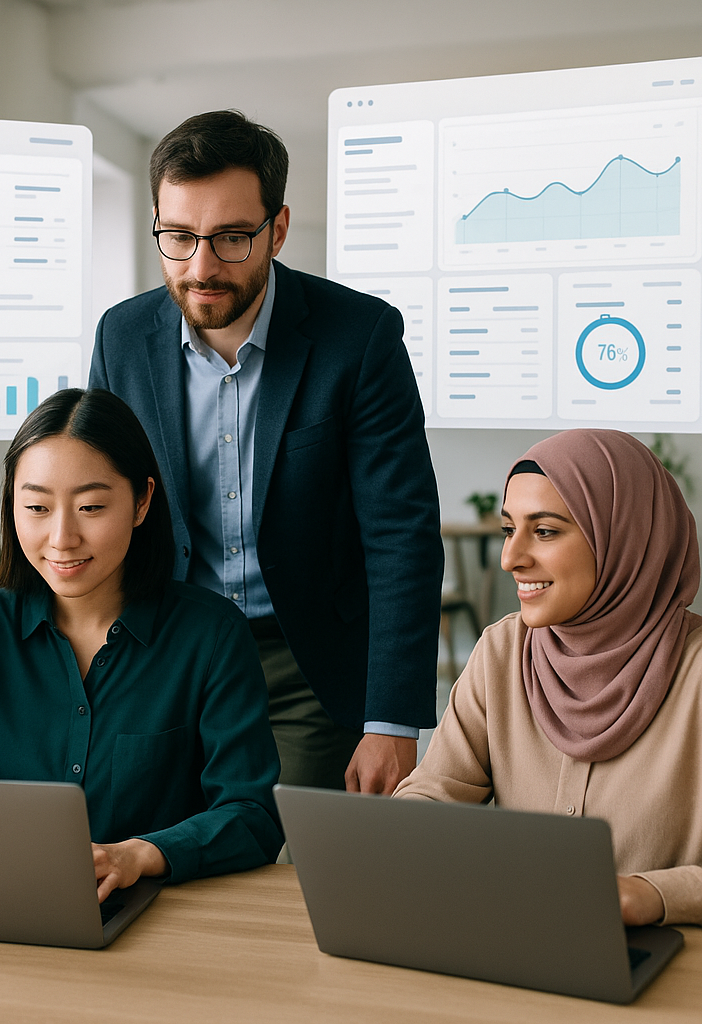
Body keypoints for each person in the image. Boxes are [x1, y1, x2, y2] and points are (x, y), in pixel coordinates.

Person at [90, 109, 443, 793]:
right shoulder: (121, 337)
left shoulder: (358, 337)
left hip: (306, 661)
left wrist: (391, 722)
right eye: (178, 237)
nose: (201, 268)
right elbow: (102, 502)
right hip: (170, 652)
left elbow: (400, 532)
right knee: (157, 841)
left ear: (277, 230)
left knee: (287, 850)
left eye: (231, 238)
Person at [0, 388, 283, 900]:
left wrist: (140, 855)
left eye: (90, 506)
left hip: (167, 908)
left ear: (142, 501)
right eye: (37, 507)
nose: (62, 537)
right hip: (24, 897)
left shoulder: (212, 634)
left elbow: (252, 814)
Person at [396, 428, 702, 926]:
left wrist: (652, 895)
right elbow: (434, 792)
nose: (510, 559)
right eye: (508, 530)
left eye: (544, 531)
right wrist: (405, 834)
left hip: (668, 956)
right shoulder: (502, 651)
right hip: (522, 939)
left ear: (623, 536)